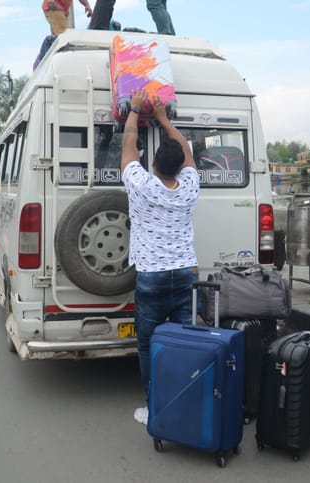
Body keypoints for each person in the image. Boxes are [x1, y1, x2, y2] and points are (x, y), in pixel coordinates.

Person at [121, 88, 199, 425]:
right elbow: (187, 153)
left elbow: (128, 147)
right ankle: (185, 405)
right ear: (181, 167)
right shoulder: (190, 186)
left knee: (148, 344)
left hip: (151, 276)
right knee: (185, 344)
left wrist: (134, 109)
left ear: (152, 164)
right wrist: (165, 120)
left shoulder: (142, 185)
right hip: (185, 274)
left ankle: (154, 408)